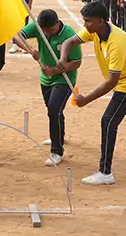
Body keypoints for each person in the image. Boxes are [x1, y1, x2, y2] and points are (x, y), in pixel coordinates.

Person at [59, 1, 126, 186]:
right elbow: (70, 41)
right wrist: (62, 60)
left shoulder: (117, 42)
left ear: (100, 21)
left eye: (88, 21)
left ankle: (105, 172)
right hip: (125, 81)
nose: (85, 25)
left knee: (108, 121)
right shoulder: (96, 31)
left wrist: (86, 100)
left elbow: (111, 82)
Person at [13, 9, 82, 165]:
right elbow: (17, 35)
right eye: (44, 31)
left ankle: (57, 151)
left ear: (58, 23)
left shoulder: (69, 35)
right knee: (54, 111)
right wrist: (30, 49)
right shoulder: (39, 28)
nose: (48, 33)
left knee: (54, 109)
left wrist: (55, 70)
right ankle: (59, 135)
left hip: (64, 79)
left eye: (51, 30)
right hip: (45, 79)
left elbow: (76, 62)